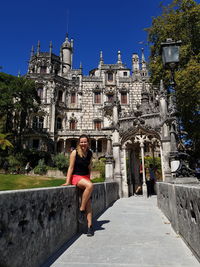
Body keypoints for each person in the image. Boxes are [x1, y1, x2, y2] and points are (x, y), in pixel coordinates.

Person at [62, 134, 94, 237]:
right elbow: (70, 168)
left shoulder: (89, 153)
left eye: (85, 142)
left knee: (88, 203)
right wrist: (67, 181)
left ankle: (90, 227)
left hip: (85, 178)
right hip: (76, 177)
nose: (83, 144)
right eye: (82, 142)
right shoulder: (74, 153)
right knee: (90, 186)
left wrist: (89, 178)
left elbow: (89, 167)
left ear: (88, 142)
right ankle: (81, 210)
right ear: (79, 143)